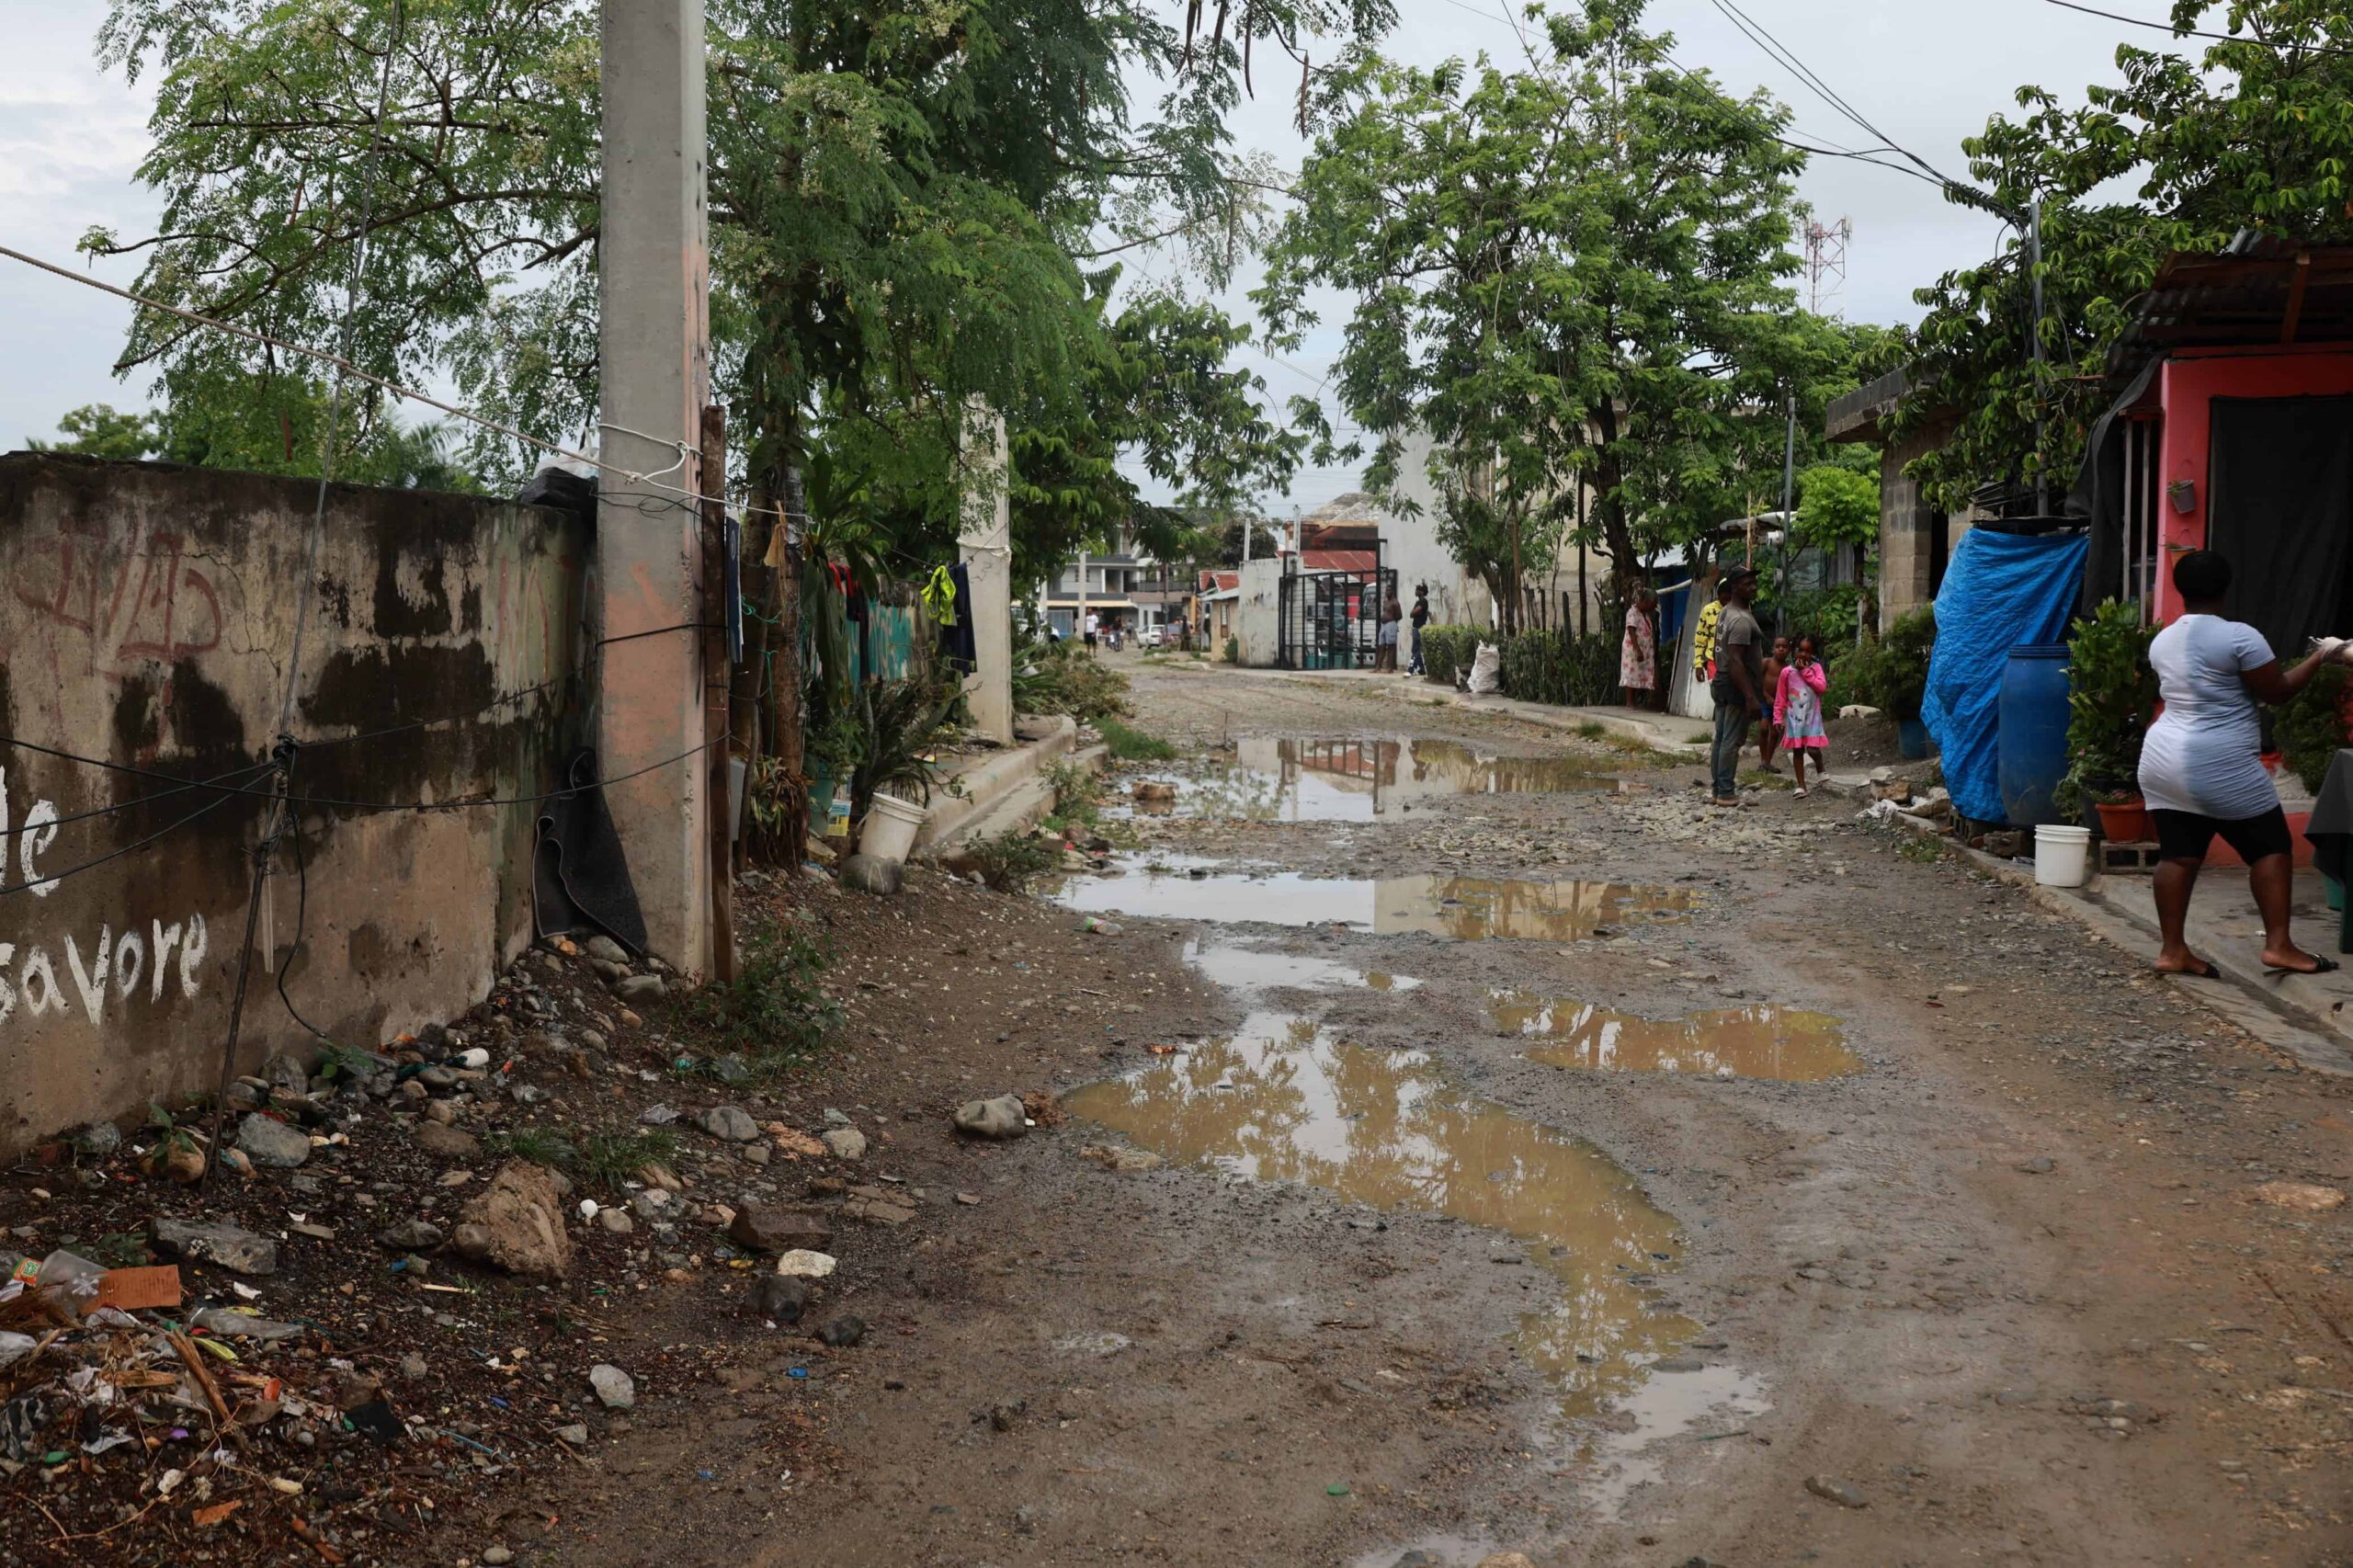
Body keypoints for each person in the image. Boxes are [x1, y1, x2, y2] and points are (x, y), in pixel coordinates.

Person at [2140, 549, 2347, 979]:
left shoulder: (2163, 640)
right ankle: (2279, 946)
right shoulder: (2239, 637)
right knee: (2270, 848)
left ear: (2180, 590)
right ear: (2225, 588)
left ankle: (2173, 950)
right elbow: (2278, 692)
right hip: (2219, 761)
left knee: (2178, 856)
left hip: (2161, 758)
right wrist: (2322, 655)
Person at [1709, 569, 1766, 808]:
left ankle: (1718, 790)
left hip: (1722, 681)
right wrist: (1751, 696)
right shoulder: (1741, 620)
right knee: (1731, 741)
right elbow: (1735, 660)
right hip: (1735, 685)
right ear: (1734, 587)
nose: (1753, 587)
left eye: (1754, 582)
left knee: (1721, 739)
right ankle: (1725, 792)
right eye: (1747, 583)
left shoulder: (1726, 611)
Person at [1775, 632, 1830, 798]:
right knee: (1798, 751)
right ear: (1794, 650)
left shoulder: (1816, 668)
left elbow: (1821, 688)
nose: (1804, 654)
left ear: (1812, 653)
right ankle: (1801, 785)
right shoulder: (1787, 672)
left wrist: (1806, 672)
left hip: (1812, 718)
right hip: (1795, 719)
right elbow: (1780, 697)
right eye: (1801, 650)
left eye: (1808, 651)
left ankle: (1820, 767)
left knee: (1813, 749)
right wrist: (1778, 717)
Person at [1620, 584, 1658, 710]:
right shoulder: (1632, 613)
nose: (1653, 608)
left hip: (1643, 650)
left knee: (1638, 675)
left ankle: (1634, 701)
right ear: (1645, 602)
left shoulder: (1645, 615)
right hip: (1633, 649)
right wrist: (1637, 649)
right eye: (1651, 605)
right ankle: (1629, 702)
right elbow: (1631, 630)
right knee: (1631, 674)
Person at [1757, 633, 1791, 769]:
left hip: (1779, 704)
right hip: (1764, 701)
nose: (1781, 649)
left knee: (1775, 733)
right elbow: (1757, 680)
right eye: (1778, 647)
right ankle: (1762, 760)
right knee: (1764, 729)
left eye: (1784, 647)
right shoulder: (1767, 663)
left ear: (1789, 650)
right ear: (1773, 649)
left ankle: (1768, 762)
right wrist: (1766, 696)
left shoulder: (1788, 668)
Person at [1693, 575, 1733, 687]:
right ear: (1718, 596)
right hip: (1714, 661)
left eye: (1730, 599)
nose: (1727, 603)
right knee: (1717, 692)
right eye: (1724, 599)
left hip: (1734, 662)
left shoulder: (1739, 610)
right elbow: (1700, 639)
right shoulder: (1708, 611)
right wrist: (1698, 665)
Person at [1375, 590, 1404, 672]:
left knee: (1391, 646)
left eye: (1389, 590)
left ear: (1392, 592)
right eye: (1386, 590)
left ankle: (1390, 668)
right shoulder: (1385, 602)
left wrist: (1392, 620)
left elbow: (1400, 615)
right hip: (1383, 625)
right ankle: (1378, 667)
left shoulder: (1395, 603)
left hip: (1391, 624)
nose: (1387, 592)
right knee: (1381, 646)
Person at [1409, 585, 1432, 675]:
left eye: (1417, 590)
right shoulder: (1418, 602)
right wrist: (1414, 612)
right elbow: (1411, 614)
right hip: (1416, 627)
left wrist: (1414, 612)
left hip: (1419, 627)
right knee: (1417, 649)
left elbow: (1414, 612)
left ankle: (1411, 669)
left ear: (1421, 592)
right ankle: (1421, 669)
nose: (1415, 592)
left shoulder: (1423, 602)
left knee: (1415, 649)